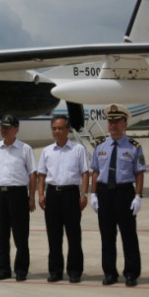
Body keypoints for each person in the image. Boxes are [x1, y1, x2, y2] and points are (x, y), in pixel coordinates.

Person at [89, 105, 145, 286]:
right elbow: (95, 172)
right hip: (105, 193)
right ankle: (109, 273)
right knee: (107, 235)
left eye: (117, 121)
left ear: (125, 123)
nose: (113, 125)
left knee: (129, 235)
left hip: (124, 192)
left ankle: (131, 273)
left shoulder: (134, 146)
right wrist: (94, 194)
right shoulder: (99, 146)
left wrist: (138, 196)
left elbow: (139, 173)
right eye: (110, 121)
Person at [37, 115, 90, 283]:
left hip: (71, 194)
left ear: (68, 130)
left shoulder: (77, 149)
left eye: (60, 128)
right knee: (54, 236)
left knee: (74, 235)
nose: (57, 131)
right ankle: (55, 271)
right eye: (54, 128)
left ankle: (74, 271)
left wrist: (84, 194)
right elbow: (41, 174)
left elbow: (85, 172)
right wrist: (40, 194)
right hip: (52, 194)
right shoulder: (47, 151)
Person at [0, 115, 36, 281]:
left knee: (21, 236)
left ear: (16, 129)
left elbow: (32, 173)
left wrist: (31, 197)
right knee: (2, 236)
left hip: (18, 194)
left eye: (7, 127)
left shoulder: (25, 149)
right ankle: (3, 269)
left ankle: (21, 270)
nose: (3, 130)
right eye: (2, 127)